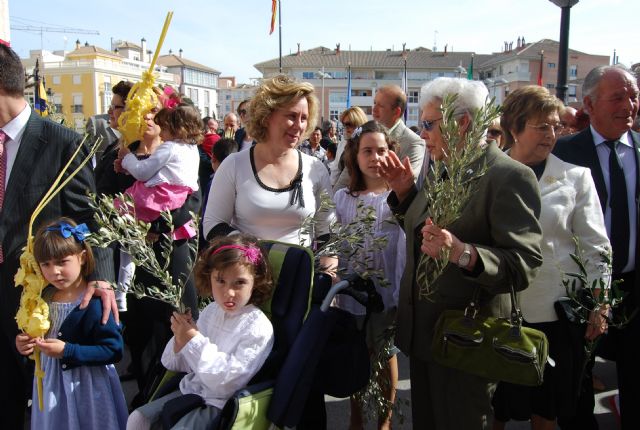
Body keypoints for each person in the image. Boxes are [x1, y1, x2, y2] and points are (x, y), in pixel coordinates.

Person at [379, 77, 543, 429]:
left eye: (428, 124)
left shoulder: (508, 176)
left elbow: (524, 264)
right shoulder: (441, 167)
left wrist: (464, 253)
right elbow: (424, 237)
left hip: (466, 341)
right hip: (426, 337)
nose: (422, 134)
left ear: (463, 122)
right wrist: (406, 194)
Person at [0, 43, 116, 429]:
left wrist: (100, 279)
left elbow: (89, 219)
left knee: (33, 402)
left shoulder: (64, 143)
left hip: (37, 300)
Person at [492, 85, 611, 430]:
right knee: (495, 407)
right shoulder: (485, 173)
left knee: (545, 411)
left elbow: (595, 246)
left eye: (556, 126)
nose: (552, 134)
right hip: (499, 309)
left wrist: (600, 303)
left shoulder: (575, 178)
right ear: (514, 127)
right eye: (541, 126)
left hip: (555, 315)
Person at [553, 65, 640, 430]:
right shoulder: (562, 153)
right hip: (582, 288)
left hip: (634, 285)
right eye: (618, 97)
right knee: (579, 382)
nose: (629, 105)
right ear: (589, 103)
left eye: (633, 96)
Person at [127, 234, 274, 429]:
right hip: (191, 391)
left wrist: (193, 340)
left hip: (220, 404)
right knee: (138, 419)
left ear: (255, 282)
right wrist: (180, 339)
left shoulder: (258, 327)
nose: (229, 292)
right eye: (220, 281)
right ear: (209, 278)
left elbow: (227, 384)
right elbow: (173, 363)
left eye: (239, 283)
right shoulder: (212, 311)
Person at [16, 218, 127, 430]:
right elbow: (35, 336)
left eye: (62, 262)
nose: (54, 271)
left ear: (82, 257)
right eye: (46, 264)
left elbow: (113, 350)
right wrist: (25, 344)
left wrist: (68, 351)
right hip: (52, 388)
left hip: (88, 389)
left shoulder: (95, 301)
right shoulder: (42, 298)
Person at [203, 74, 335, 248]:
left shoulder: (315, 168)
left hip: (299, 273)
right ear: (266, 116)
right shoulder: (234, 165)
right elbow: (212, 225)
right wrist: (255, 251)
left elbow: (327, 229)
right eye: (292, 116)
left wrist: (327, 266)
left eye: (304, 118)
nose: (299, 125)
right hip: (248, 271)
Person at [333, 120, 405, 430]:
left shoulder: (399, 199)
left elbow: (404, 251)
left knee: (385, 355)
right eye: (368, 151)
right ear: (355, 156)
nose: (375, 157)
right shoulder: (342, 199)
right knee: (356, 357)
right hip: (352, 293)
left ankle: (385, 421)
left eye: (382, 150)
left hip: (386, 292)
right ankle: (356, 418)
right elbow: (334, 244)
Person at [118, 103, 201, 310]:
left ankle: (121, 289)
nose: (161, 132)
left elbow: (143, 173)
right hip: (173, 206)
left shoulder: (169, 148)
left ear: (175, 127)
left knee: (124, 230)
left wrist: (128, 159)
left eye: (162, 125)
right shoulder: (191, 150)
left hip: (162, 211)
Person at [372, 84, 425, 180]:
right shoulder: (366, 135)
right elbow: (346, 178)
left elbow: (406, 183)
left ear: (396, 112)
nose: (374, 109)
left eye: (381, 106)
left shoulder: (413, 143)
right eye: (375, 103)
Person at [94, 80, 136, 196]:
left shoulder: (136, 150)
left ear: (129, 110)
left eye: (114, 107)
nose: (109, 111)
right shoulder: (114, 145)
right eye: (110, 106)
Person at [333, 106, 369, 191]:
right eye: (344, 124)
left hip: (358, 192)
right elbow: (336, 169)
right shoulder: (343, 142)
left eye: (349, 124)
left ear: (359, 123)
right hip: (341, 192)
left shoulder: (365, 144)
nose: (346, 128)